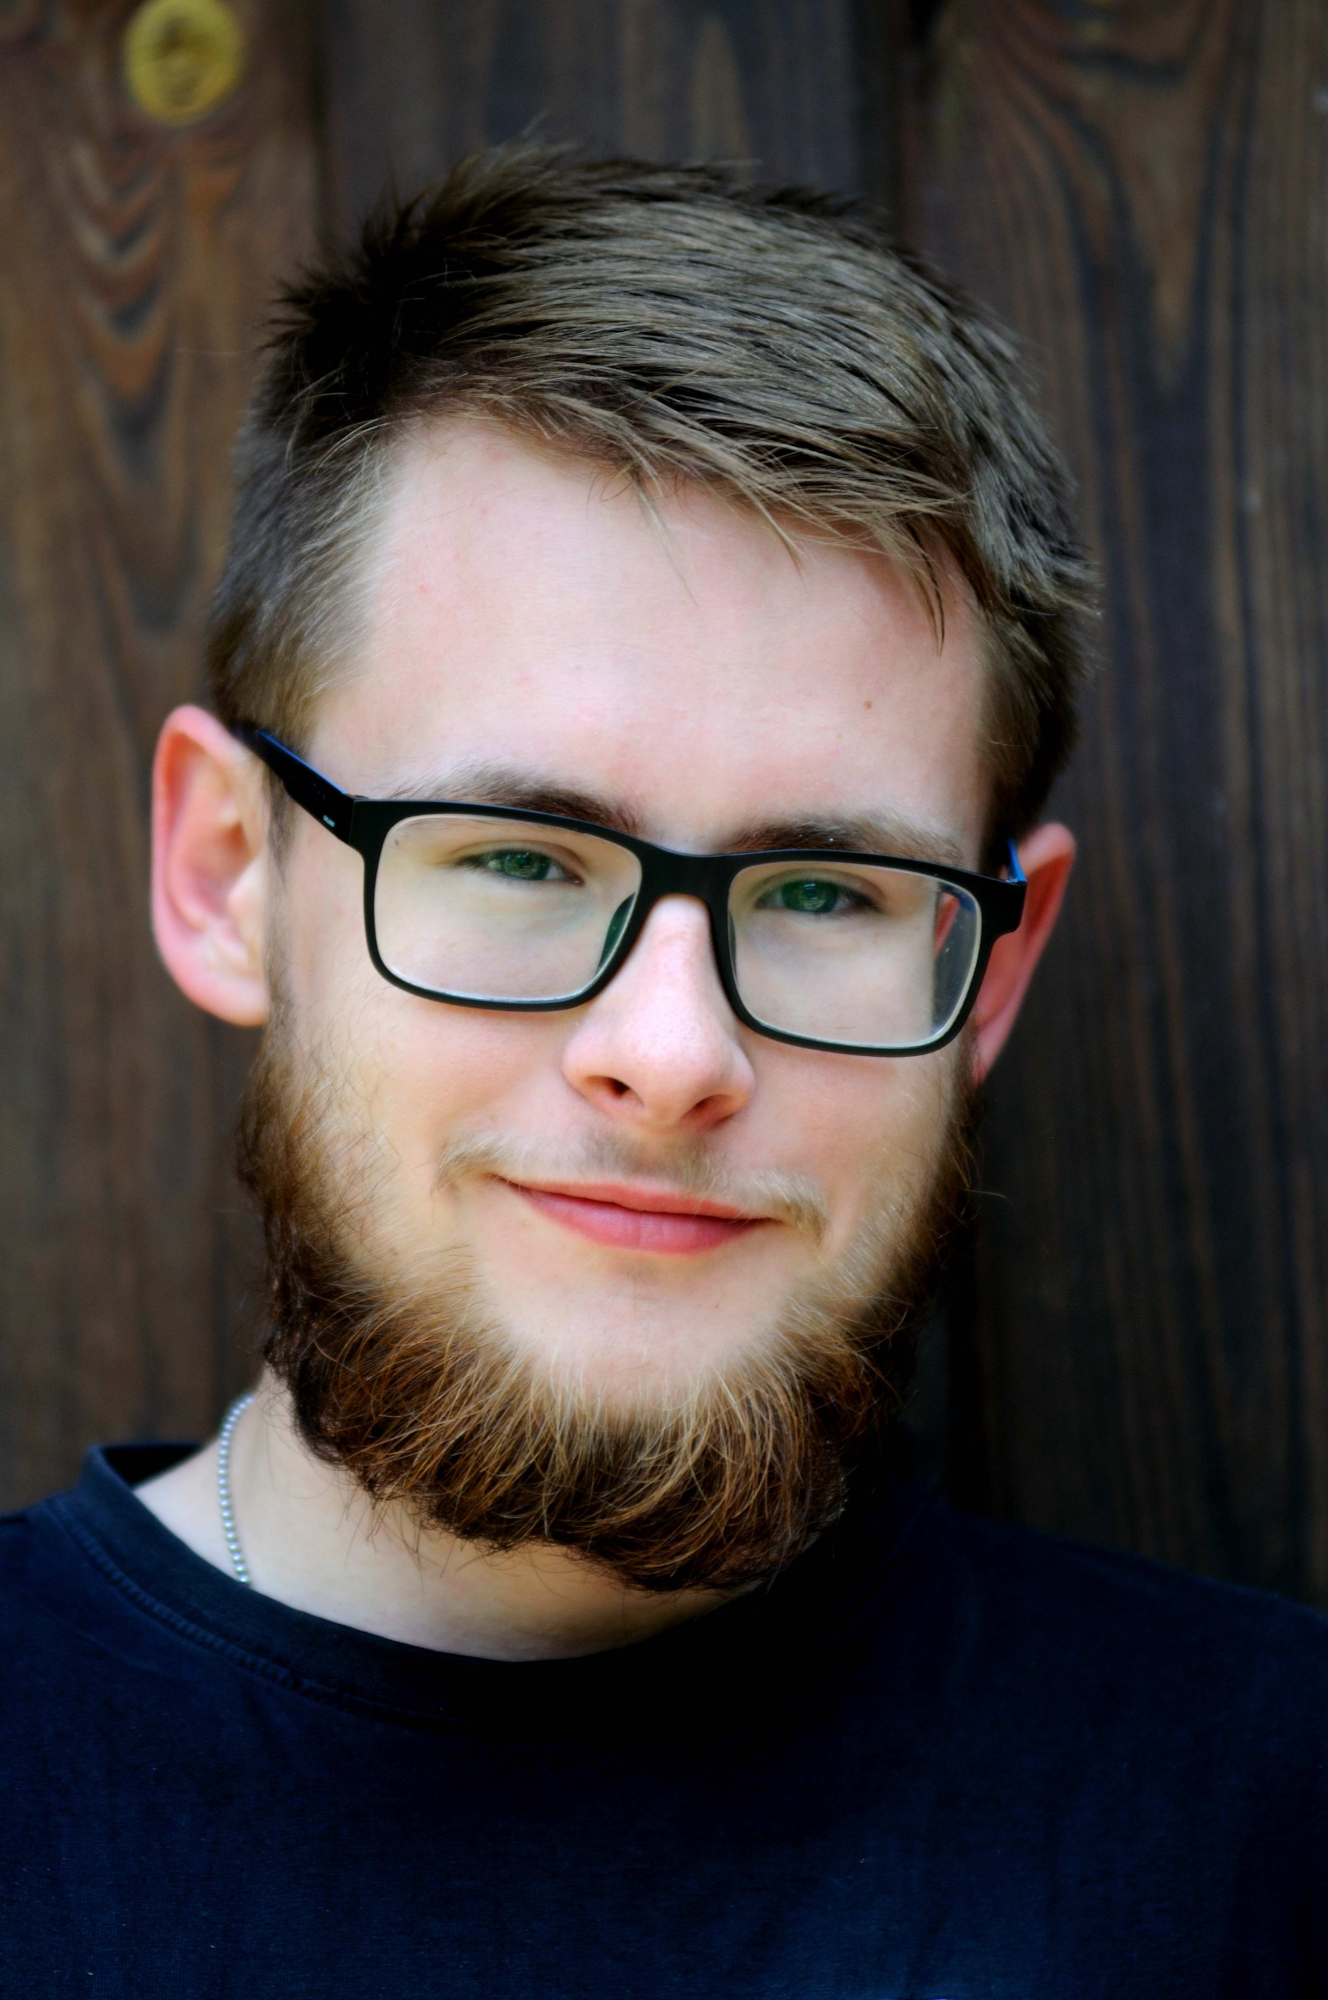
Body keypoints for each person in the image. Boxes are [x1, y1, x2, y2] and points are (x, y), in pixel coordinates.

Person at [3, 146, 1325, 1997]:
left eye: (825, 892)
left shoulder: (1276, 1830)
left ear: (993, 971)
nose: (673, 1054)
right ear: (229, 874)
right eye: (519, 859)